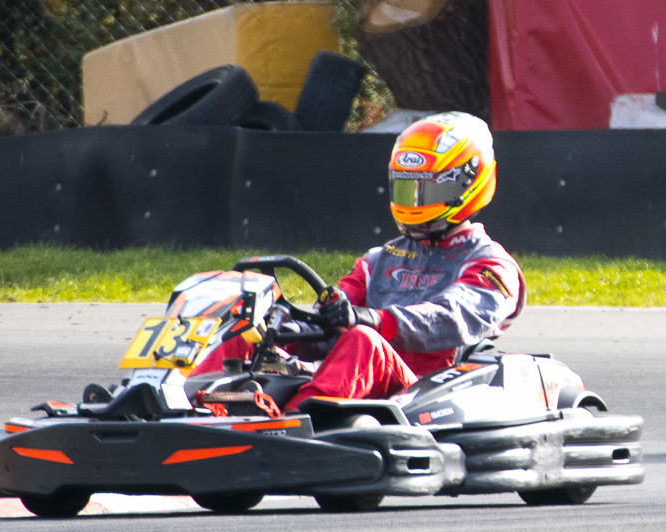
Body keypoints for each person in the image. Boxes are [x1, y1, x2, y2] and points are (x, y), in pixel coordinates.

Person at [194, 111, 525, 408]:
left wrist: (372, 319)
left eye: (429, 191)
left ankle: (295, 417)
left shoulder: (490, 264)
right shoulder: (379, 260)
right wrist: (285, 328)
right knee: (246, 334)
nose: (415, 203)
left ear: (469, 183)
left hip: (425, 393)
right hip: (359, 377)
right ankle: (188, 407)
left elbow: (451, 318)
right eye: (407, 190)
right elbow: (330, 325)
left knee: (363, 339)